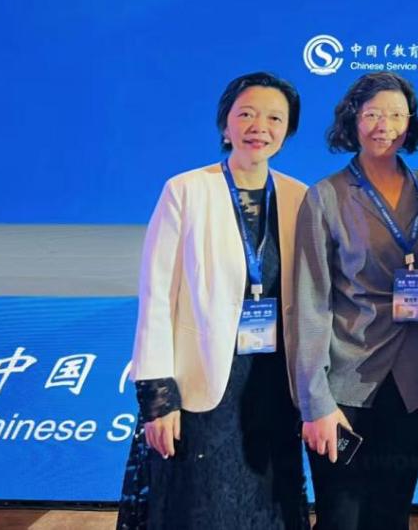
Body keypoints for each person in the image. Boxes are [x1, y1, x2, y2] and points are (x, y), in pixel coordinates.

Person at [118, 72, 309, 530]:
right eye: (246, 114)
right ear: (226, 123)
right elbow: (157, 296)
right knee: (202, 506)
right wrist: (158, 397)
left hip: (273, 385)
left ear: (287, 130)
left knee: (267, 506)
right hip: (202, 384)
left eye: (274, 118)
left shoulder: (299, 196)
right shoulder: (185, 191)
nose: (259, 127)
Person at [293, 72, 418, 530]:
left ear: (411, 123)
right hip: (345, 382)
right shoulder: (325, 197)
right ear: (353, 120)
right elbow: (309, 303)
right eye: (372, 115)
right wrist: (314, 401)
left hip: (415, 381)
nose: (384, 125)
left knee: (391, 511)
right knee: (341, 515)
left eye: (395, 115)